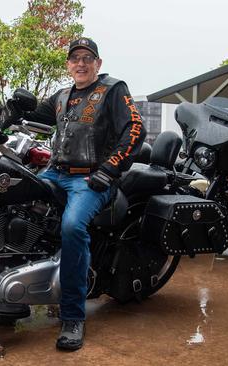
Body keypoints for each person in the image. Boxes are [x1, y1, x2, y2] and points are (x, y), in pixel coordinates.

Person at [18, 37, 146, 350]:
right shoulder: (62, 96)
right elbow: (35, 116)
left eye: (87, 58)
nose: (81, 63)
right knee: (16, 202)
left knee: (73, 227)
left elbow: (135, 129)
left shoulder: (113, 89)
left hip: (90, 179)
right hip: (55, 172)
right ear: (68, 64)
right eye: (75, 58)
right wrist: (1, 111)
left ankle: (73, 315)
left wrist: (110, 168)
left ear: (98, 64)